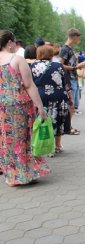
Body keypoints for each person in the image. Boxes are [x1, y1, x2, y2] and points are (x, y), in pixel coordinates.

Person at [0, 30, 50, 186]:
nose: (16, 45)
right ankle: (25, 174)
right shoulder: (17, 59)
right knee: (23, 139)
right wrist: (40, 107)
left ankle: (11, 175)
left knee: (7, 140)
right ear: (9, 42)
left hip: (2, 105)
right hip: (20, 105)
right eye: (15, 42)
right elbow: (29, 85)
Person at [30, 45, 70, 156]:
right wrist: (70, 97)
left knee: (40, 121)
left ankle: (39, 144)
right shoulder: (58, 66)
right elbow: (65, 83)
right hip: (57, 96)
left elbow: (29, 83)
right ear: (51, 54)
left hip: (39, 96)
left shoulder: (32, 66)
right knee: (57, 120)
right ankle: (56, 146)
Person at [60, 28, 84, 133]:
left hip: (73, 77)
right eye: (78, 38)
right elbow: (61, 64)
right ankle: (67, 127)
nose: (78, 40)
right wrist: (75, 68)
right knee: (71, 104)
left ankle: (68, 126)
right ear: (74, 37)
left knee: (73, 105)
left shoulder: (69, 49)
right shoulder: (65, 49)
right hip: (69, 78)